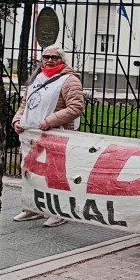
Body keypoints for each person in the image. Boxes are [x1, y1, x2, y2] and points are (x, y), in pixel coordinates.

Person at [12, 45, 84, 227]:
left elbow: (76, 107)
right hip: (32, 134)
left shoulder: (70, 80)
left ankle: (59, 211)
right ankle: (32, 207)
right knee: (30, 171)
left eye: (55, 57)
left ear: (62, 60)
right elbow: (26, 103)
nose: (50, 60)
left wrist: (51, 120)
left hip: (56, 133)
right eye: (46, 57)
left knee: (55, 174)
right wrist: (17, 120)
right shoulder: (38, 78)